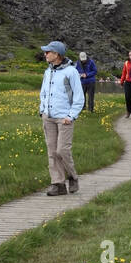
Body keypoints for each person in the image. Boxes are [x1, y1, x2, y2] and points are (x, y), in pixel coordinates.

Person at [38, 40, 85, 196]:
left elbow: (79, 97)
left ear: (56, 54)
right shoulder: (48, 72)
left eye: (48, 52)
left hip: (64, 118)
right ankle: (58, 184)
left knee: (62, 150)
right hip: (48, 117)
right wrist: (42, 111)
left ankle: (72, 176)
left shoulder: (71, 72)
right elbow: (43, 93)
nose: (45, 54)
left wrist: (71, 116)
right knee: (52, 151)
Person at [119, 51, 131, 118]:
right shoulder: (126, 63)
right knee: (127, 97)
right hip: (127, 82)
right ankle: (128, 111)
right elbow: (124, 73)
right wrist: (121, 81)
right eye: (129, 55)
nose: (130, 56)